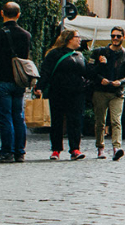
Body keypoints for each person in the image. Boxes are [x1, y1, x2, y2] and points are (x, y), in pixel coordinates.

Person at [0, 2, 32, 163]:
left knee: (5, 118)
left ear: (2, 13)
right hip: (19, 80)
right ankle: (20, 152)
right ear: (18, 15)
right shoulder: (26, 35)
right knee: (18, 116)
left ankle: (6, 151)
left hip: (2, 79)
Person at [36, 30, 91, 160]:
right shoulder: (54, 54)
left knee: (75, 121)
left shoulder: (79, 55)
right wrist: (40, 87)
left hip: (77, 92)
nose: (80, 40)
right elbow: (46, 71)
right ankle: (56, 149)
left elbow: (87, 72)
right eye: (77, 37)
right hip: (58, 91)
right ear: (69, 39)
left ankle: (75, 149)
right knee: (57, 121)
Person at [88, 26, 125, 160]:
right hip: (100, 91)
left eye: (118, 36)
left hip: (117, 92)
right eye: (113, 36)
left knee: (115, 120)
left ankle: (116, 147)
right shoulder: (98, 52)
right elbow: (89, 71)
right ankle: (100, 147)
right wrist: (100, 79)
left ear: (123, 38)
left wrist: (121, 82)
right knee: (100, 121)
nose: (115, 38)